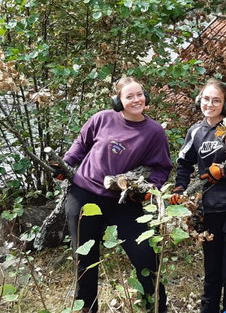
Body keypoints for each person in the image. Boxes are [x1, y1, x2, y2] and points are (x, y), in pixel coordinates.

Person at [56, 76, 172, 313]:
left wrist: (149, 190)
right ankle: (86, 309)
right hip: (84, 196)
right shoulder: (102, 119)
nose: (136, 99)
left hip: (123, 201)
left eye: (139, 94)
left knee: (144, 255)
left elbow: (162, 168)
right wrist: (65, 163)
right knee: (85, 261)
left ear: (146, 97)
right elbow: (81, 144)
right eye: (129, 96)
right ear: (118, 100)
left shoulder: (154, 132)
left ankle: (157, 307)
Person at [170, 78, 226, 313]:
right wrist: (180, 188)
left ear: (225, 103)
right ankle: (207, 309)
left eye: (216, 100)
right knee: (212, 269)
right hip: (209, 210)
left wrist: (225, 170)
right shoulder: (196, 132)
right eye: (206, 99)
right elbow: (183, 163)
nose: (210, 104)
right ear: (199, 99)